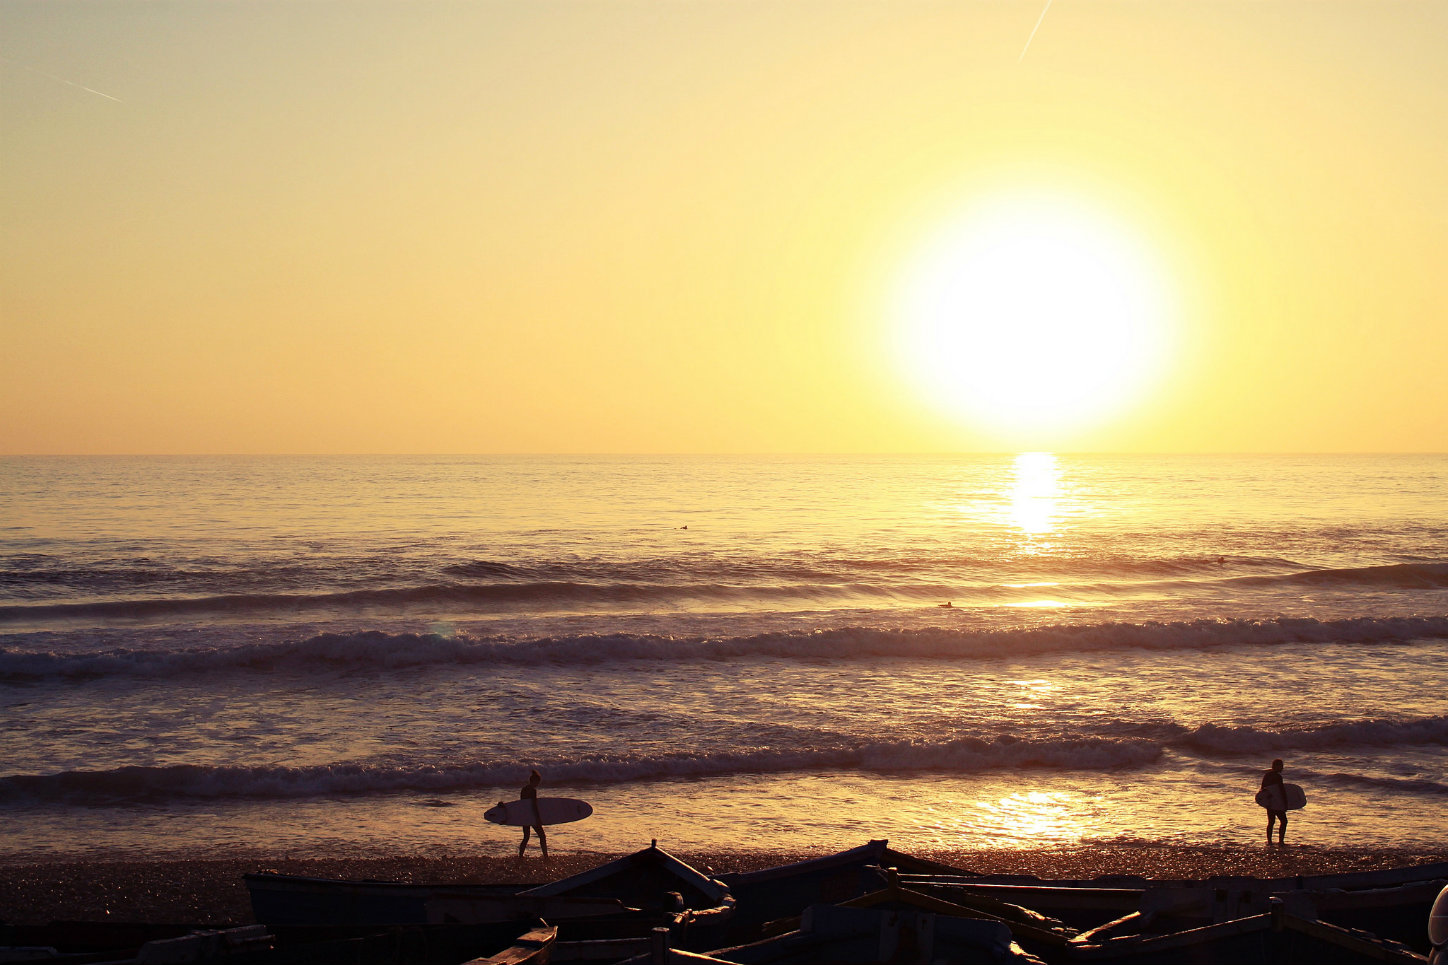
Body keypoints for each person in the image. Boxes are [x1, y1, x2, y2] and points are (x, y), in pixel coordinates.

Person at [518, 770, 547, 858]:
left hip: (525, 816)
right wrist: (538, 818)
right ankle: (545, 856)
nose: (538, 784)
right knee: (542, 836)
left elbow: (522, 804)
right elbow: (534, 805)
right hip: (532, 817)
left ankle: (520, 856)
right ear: (534, 781)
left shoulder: (523, 789)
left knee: (526, 837)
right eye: (538, 782)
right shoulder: (533, 791)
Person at [1261, 758, 1288, 845]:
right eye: (1281, 766)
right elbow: (1281, 790)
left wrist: (1266, 801)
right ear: (1276, 766)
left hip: (1269, 802)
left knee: (1271, 822)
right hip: (1277, 802)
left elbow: (1263, 789)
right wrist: (1285, 803)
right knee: (1284, 821)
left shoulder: (1267, 775)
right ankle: (1281, 841)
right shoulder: (1278, 777)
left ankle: (1269, 841)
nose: (1282, 768)